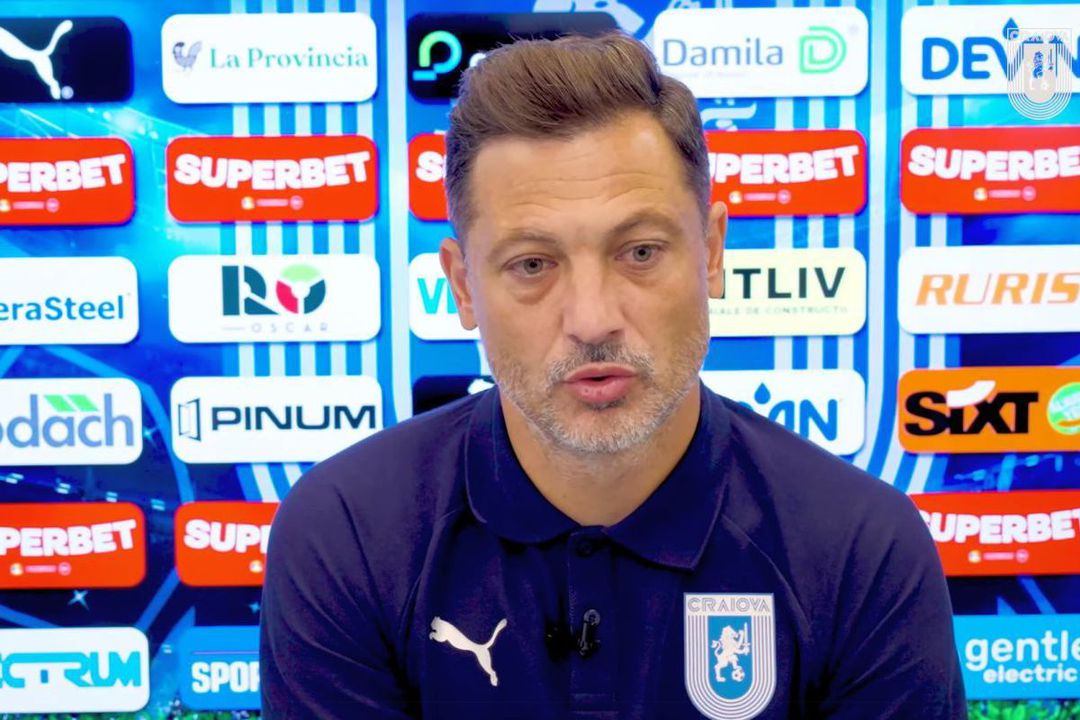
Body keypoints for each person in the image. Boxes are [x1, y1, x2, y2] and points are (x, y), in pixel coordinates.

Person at [260, 32, 966, 719]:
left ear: (712, 252)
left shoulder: (864, 550)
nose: (593, 320)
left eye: (640, 252)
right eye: (532, 264)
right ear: (463, 286)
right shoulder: (346, 537)